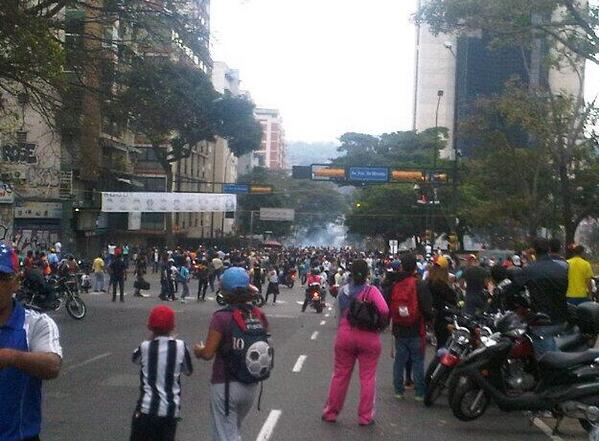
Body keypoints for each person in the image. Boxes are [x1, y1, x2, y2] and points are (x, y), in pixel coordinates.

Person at [194, 267, 269, 441]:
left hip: (225, 385)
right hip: (251, 384)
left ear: (225, 291)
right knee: (232, 430)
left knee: (224, 435)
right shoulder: (258, 314)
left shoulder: (221, 317)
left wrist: (199, 350)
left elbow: (208, 353)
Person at [0, 244, 63, 441]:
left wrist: (9, 357)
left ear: (16, 283)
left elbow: (52, 365)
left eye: (1, 278)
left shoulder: (36, 323)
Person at [322, 259, 389, 426]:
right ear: (367, 274)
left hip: (345, 335)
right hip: (368, 337)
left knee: (340, 375)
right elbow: (385, 310)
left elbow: (338, 313)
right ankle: (365, 417)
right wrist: (379, 325)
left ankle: (331, 412)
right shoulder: (372, 291)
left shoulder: (343, 291)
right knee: (367, 377)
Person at [130, 306, 193, 441]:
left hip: (146, 409)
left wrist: (151, 338)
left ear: (150, 326)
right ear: (172, 326)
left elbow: (135, 359)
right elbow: (188, 371)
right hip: (169, 411)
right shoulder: (180, 346)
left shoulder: (145, 347)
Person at [513, 238, 569, 356]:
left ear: (534, 251)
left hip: (542, 322)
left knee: (545, 360)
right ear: (548, 249)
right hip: (561, 319)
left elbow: (514, 288)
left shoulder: (531, 269)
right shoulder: (561, 268)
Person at [389, 254, 433, 401]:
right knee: (418, 360)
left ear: (401, 266)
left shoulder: (396, 283)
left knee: (399, 360)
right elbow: (427, 308)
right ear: (415, 267)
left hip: (399, 328)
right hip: (416, 327)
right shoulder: (419, 284)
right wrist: (429, 319)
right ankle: (420, 393)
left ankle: (398, 391)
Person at [428, 255, 457, 349]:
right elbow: (453, 301)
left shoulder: (429, 282)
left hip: (433, 318)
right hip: (444, 320)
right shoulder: (444, 287)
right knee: (444, 348)